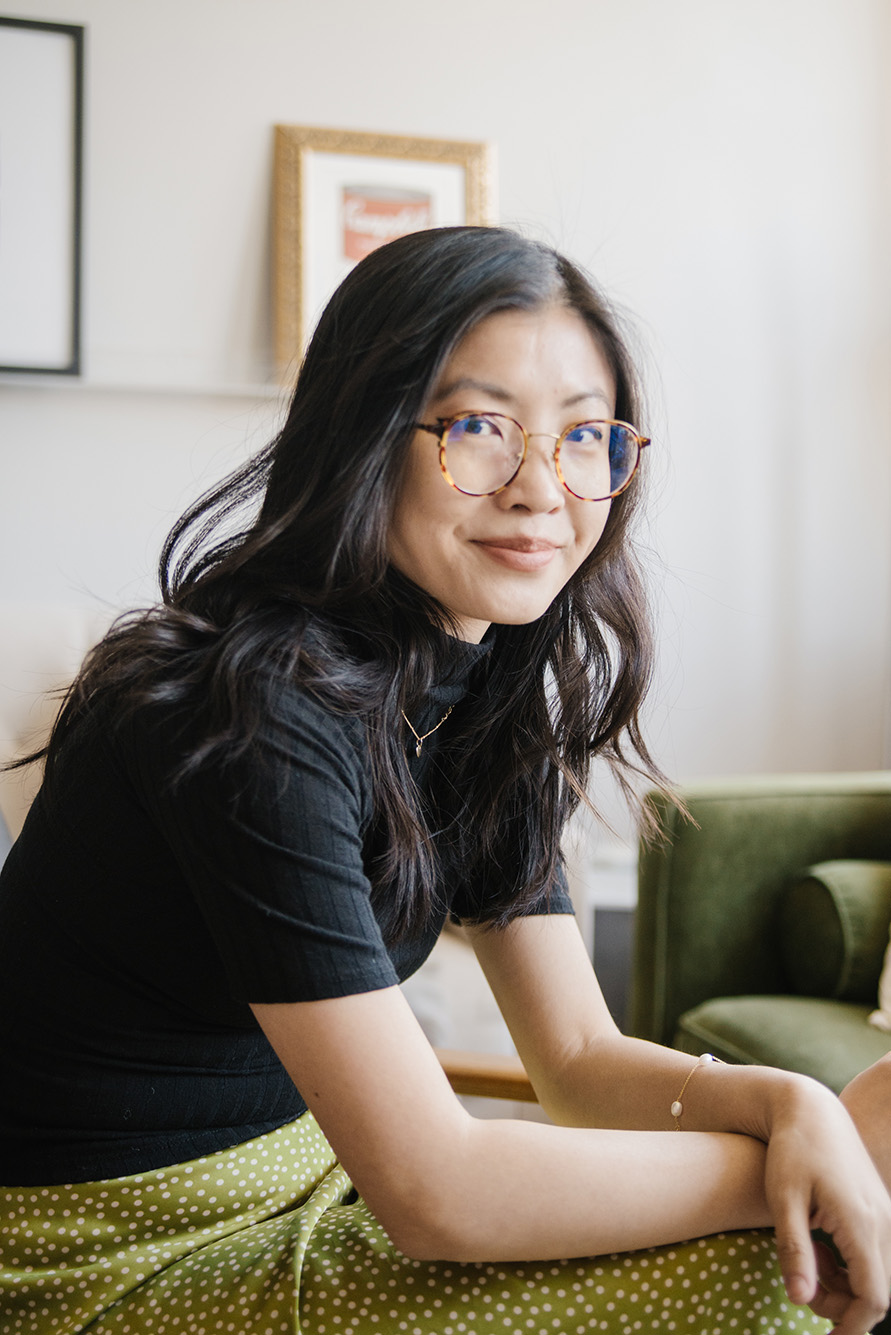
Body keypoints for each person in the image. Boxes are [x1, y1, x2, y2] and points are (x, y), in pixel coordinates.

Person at [1, 226, 890, 1335]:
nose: (540, 489)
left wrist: (788, 1102)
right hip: (94, 1256)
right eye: (480, 429)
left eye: (584, 437)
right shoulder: (252, 710)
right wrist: (812, 1172)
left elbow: (575, 1059)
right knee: (772, 1275)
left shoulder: (485, 696)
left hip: (305, 1185)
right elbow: (435, 1192)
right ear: (363, 436)